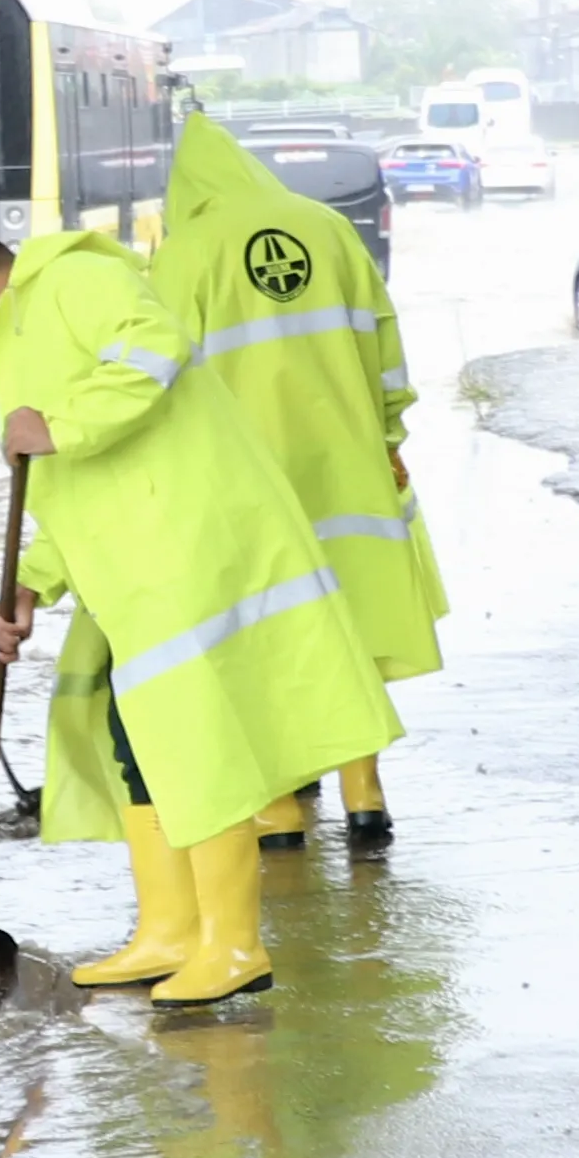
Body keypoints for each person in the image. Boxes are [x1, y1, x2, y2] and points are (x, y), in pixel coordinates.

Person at [0, 218, 404, 1016]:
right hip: (132, 569)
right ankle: (171, 932)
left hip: (181, 555)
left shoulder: (73, 280)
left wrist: (61, 427)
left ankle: (235, 947)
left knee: (196, 748)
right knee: (136, 745)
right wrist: (32, 583)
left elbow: (156, 346)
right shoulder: (18, 334)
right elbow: (73, 486)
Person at [157, 108, 436, 852]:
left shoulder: (187, 251)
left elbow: (160, 377)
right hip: (347, 471)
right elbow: (387, 345)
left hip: (248, 479)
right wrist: (387, 435)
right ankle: (365, 795)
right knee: (354, 627)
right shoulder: (328, 227)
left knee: (272, 632)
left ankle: (280, 807)